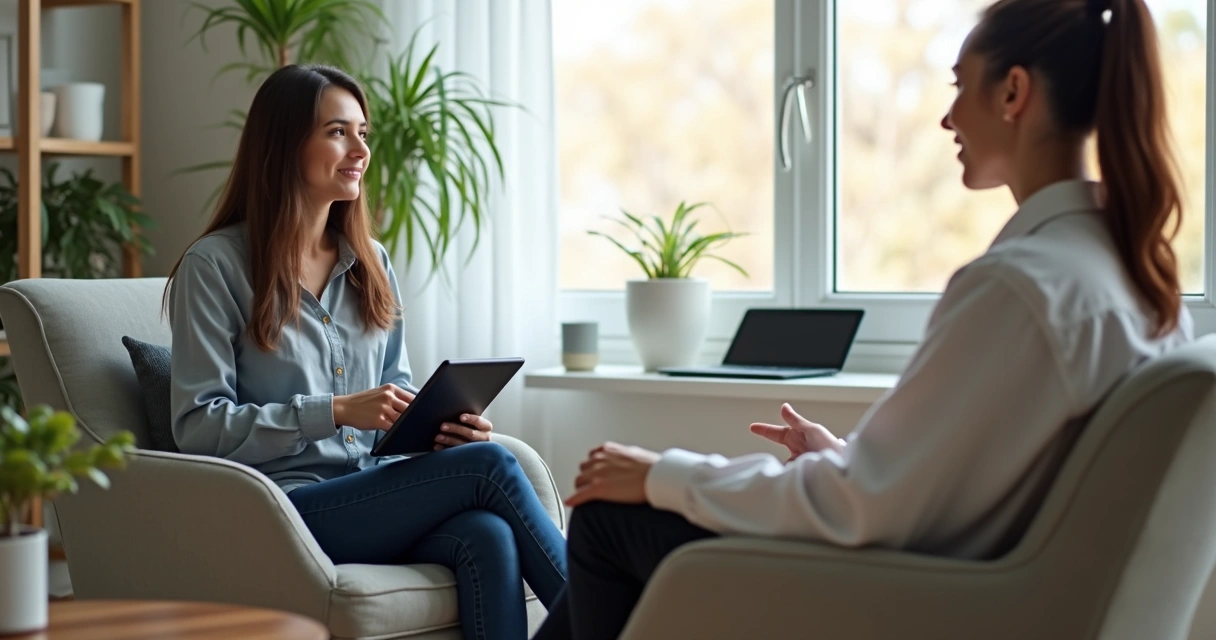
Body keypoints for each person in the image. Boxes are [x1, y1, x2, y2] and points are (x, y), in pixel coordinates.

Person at [533, 0, 1194, 637]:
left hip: (917, 598)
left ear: (1013, 92)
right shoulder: (1133, 280)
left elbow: (861, 508)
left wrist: (663, 473)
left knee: (605, 517)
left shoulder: (1020, 289)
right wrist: (847, 457)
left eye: (960, 85)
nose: (947, 117)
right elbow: (953, 487)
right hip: (969, 582)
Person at [164, 64, 567, 640]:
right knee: (493, 465)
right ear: (284, 145)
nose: (359, 149)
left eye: (363, 132)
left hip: (372, 491)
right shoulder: (217, 267)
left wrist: (438, 432)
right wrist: (332, 409)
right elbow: (198, 427)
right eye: (337, 132)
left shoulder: (369, 260)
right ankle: (616, 623)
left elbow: (392, 408)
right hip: (283, 509)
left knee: (488, 534)